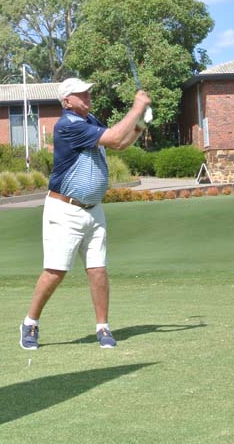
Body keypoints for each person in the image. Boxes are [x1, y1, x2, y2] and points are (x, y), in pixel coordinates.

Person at [20, 77, 151, 349]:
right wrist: (137, 108)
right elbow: (114, 136)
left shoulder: (89, 121)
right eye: (81, 94)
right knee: (56, 271)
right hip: (65, 210)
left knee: (98, 270)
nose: (88, 97)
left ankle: (103, 327)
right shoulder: (68, 125)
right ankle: (30, 322)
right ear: (67, 101)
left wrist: (140, 125)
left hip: (93, 210)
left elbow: (119, 144)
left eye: (88, 93)